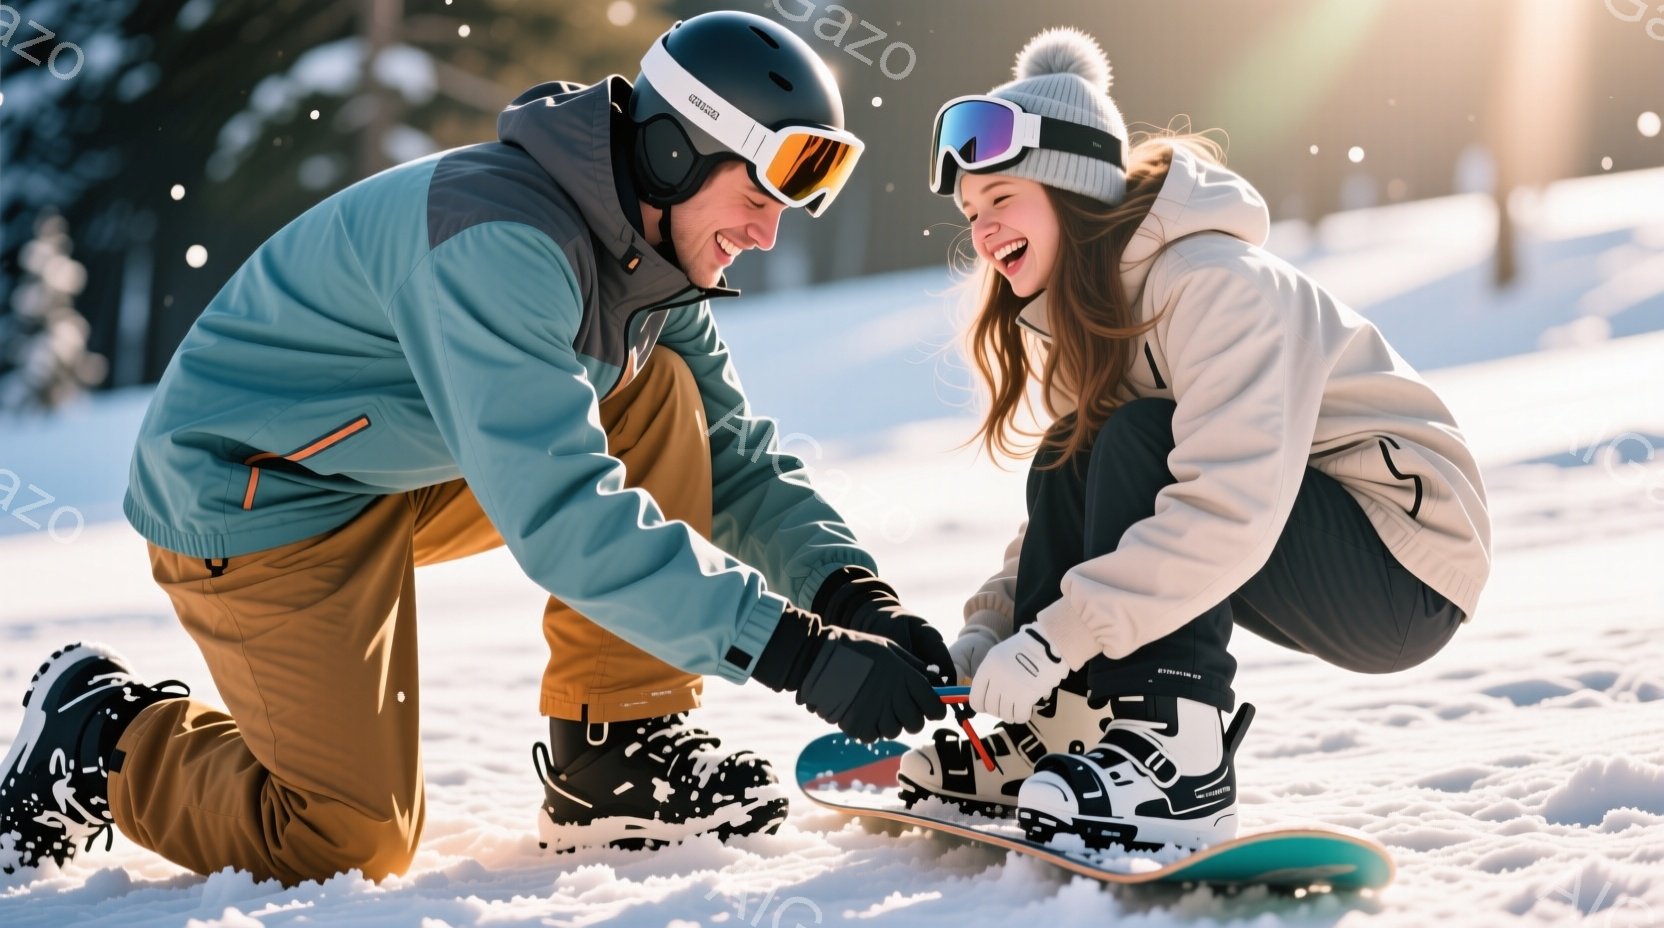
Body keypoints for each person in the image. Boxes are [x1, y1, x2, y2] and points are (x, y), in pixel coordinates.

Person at [0, 11, 950, 884]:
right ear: (670, 153)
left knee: (659, 392)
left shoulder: (650, 259)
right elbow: (563, 516)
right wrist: (798, 655)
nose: (767, 231)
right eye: (756, 193)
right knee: (347, 842)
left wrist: (853, 598)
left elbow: (732, 455)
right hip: (253, 497)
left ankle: (618, 751)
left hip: (387, 470)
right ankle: (102, 736)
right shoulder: (501, 239)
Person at [896, 27, 1491, 853]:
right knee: (1079, 444)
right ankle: (1060, 730)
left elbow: (1225, 504)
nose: (984, 231)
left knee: (1138, 433)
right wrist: (998, 634)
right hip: (1284, 528)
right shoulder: (1091, 313)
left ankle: (1183, 756)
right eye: (971, 212)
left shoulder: (1213, 283)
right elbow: (1078, 511)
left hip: (1401, 566)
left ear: (1070, 187)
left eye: (1002, 199)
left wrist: (1058, 638)